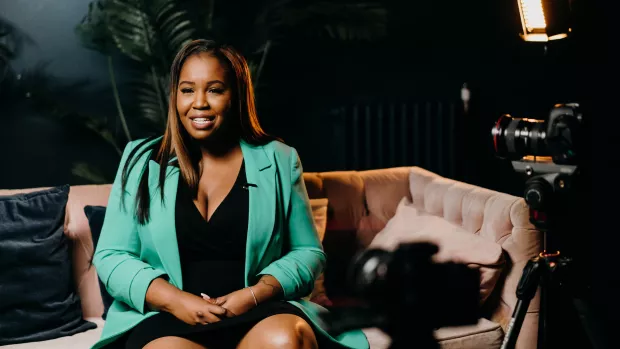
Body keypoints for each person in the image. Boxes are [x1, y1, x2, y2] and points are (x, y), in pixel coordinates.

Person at [90, 39, 369, 349]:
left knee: (284, 339)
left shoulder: (279, 159)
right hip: (167, 318)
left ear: (235, 96)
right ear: (174, 96)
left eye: (214, 89)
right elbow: (112, 256)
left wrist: (253, 295)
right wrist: (174, 300)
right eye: (187, 90)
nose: (199, 103)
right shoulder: (140, 160)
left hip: (257, 311)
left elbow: (308, 252)